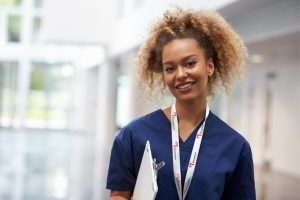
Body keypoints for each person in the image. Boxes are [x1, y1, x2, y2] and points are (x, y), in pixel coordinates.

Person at [106, 7, 256, 200]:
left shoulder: (235, 147)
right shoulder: (133, 136)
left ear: (209, 66)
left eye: (190, 63)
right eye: (170, 68)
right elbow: (119, 195)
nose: (180, 74)